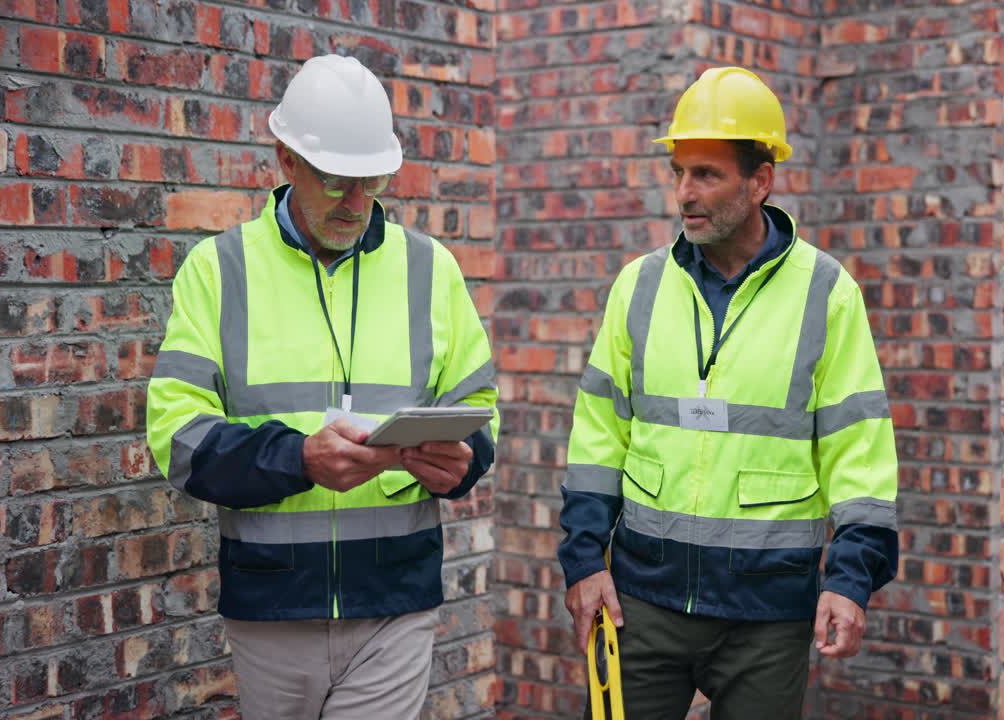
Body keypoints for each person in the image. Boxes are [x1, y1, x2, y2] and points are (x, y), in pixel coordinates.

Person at [146, 54, 499, 719]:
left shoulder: (431, 269)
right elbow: (180, 442)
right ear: (286, 160)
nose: (357, 202)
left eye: (371, 182)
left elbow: (477, 413)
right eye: (337, 181)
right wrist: (299, 459)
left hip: (396, 602)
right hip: (272, 610)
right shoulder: (218, 271)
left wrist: (464, 460)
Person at [558, 66, 899, 719]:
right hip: (644, 607)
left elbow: (860, 452)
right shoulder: (639, 288)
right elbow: (599, 437)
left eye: (706, 174)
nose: (685, 192)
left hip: (766, 618)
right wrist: (583, 560)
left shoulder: (826, 294)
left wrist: (851, 578)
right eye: (679, 172)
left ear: (760, 180)